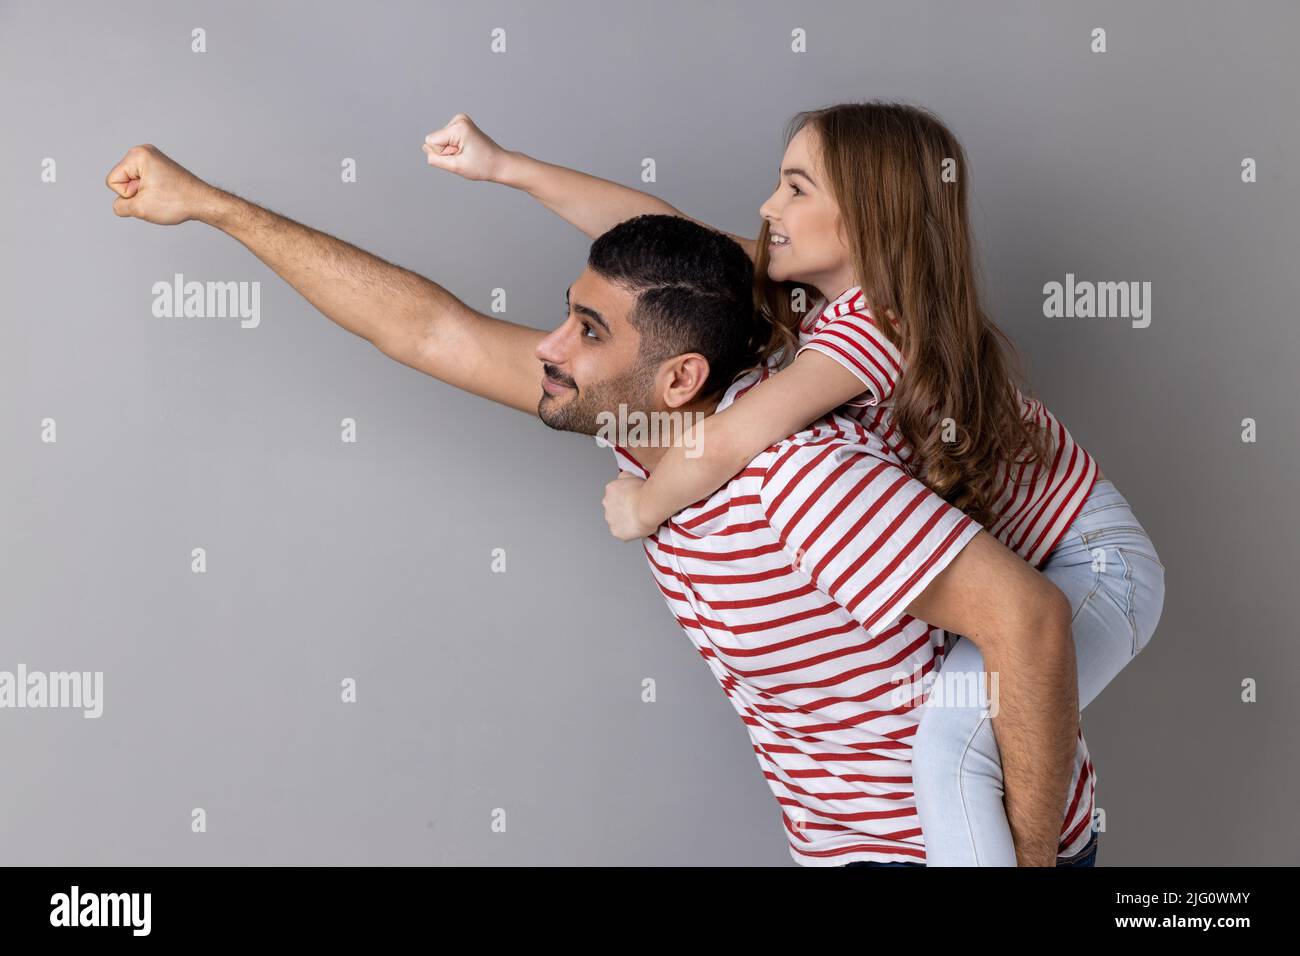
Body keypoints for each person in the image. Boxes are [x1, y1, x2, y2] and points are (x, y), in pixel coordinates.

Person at [107, 143, 1091, 866]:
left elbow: (1032, 620)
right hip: (845, 844)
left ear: (679, 378)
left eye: (584, 329)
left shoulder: (802, 479)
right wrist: (210, 205)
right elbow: (427, 328)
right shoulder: (649, 424)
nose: (548, 347)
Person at [422, 103, 1166, 865]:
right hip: (1052, 558)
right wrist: (505, 166)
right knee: (958, 739)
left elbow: (737, 435)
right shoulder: (823, 303)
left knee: (950, 746)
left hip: (1097, 564)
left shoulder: (875, 327)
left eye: (796, 189)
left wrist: (644, 503)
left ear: (872, 220)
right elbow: (664, 233)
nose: (767, 207)